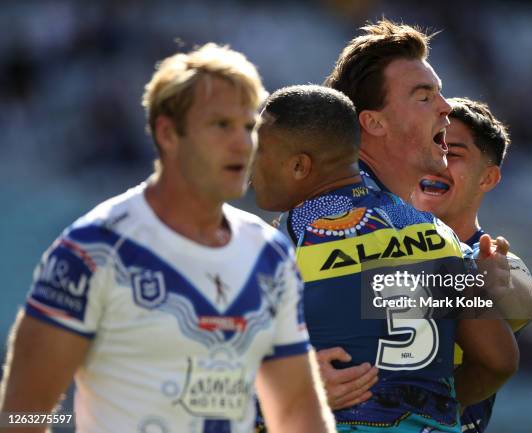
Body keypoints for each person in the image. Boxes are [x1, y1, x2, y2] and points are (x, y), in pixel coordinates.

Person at [0, 43, 335, 433]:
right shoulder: (92, 252)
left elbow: (295, 411)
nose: (242, 144)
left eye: (248, 127)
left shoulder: (270, 253)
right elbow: (21, 413)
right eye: (221, 125)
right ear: (168, 133)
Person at [251, 84, 518, 433]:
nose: (249, 166)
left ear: (300, 165)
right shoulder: (436, 233)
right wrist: (436, 406)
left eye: (259, 152)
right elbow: (499, 360)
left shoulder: (293, 234)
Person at [321, 18, 526, 424]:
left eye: (440, 94)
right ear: (373, 122)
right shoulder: (429, 240)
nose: (445, 107)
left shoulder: (312, 216)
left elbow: (520, 305)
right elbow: (500, 357)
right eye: (424, 96)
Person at [411, 97, 532, 433]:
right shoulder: (366, 244)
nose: (434, 160)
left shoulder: (488, 259)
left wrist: (497, 287)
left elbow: (522, 299)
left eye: (452, 153)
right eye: (427, 145)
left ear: (488, 178)